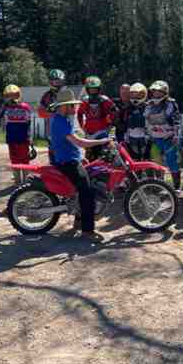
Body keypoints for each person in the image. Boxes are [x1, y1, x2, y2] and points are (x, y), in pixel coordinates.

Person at [50, 88, 112, 241]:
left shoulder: (63, 119)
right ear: (64, 106)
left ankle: (78, 221)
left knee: (85, 185)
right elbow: (79, 142)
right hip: (67, 162)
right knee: (87, 191)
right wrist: (101, 141)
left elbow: (71, 144)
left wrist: (80, 158)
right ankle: (87, 231)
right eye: (72, 105)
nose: (75, 108)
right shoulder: (60, 121)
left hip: (71, 159)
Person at [145, 80, 182, 191]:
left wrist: (176, 135)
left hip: (168, 138)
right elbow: (146, 121)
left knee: (172, 162)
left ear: (165, 92)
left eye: (159, 91)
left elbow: (177, 120)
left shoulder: (170, 104)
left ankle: (177, 186)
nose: (156, 93)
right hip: (155, 138)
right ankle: (160, 185)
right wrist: (148, 134)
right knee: (156, 162)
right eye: (154, 91)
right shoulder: (149, 104)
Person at [0, 85, 33, 185]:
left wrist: (30, 137)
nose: (11, 97)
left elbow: (29, 123)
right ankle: (18, 182)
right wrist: (4, 105)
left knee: (25, 160)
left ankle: (26, 182)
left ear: (18, 95)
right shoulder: (6, 107)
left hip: (23, 138)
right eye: (9, 95)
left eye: (14, 95)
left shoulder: (25, 107)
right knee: (14, 160)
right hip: (12, 138)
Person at [77, 76, 116, 161]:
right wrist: (82, 127)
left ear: (99, 89)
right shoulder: (85, 101)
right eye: (91, 89)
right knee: (90, 158)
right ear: (87, 89)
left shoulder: (105, 100)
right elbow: (79, 114)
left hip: (102, 133)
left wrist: (110, 125)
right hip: (89, 134)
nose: (93, 91)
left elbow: (114, 112)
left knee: (106, 156)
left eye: (95, 89)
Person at [38, 69, 66, 162]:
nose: (58, 84)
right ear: (51, 82)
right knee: (54, 159)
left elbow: (74, 111)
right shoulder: (47, 96)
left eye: (59, 81)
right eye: (55, 81)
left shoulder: (67, 94)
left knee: (68, 157)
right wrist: (52, 113)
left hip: (67, 130)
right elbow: (40, 113)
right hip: (52, 131)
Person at [123, 83, 150, 160]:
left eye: (139, 95)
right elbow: (124, 121)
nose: (136, 97)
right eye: (133, 95)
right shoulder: (127, 107)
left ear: (144, 95)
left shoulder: (148, 106)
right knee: (134, 157)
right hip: (131, 135)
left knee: (146, 157)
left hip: (145, 136)